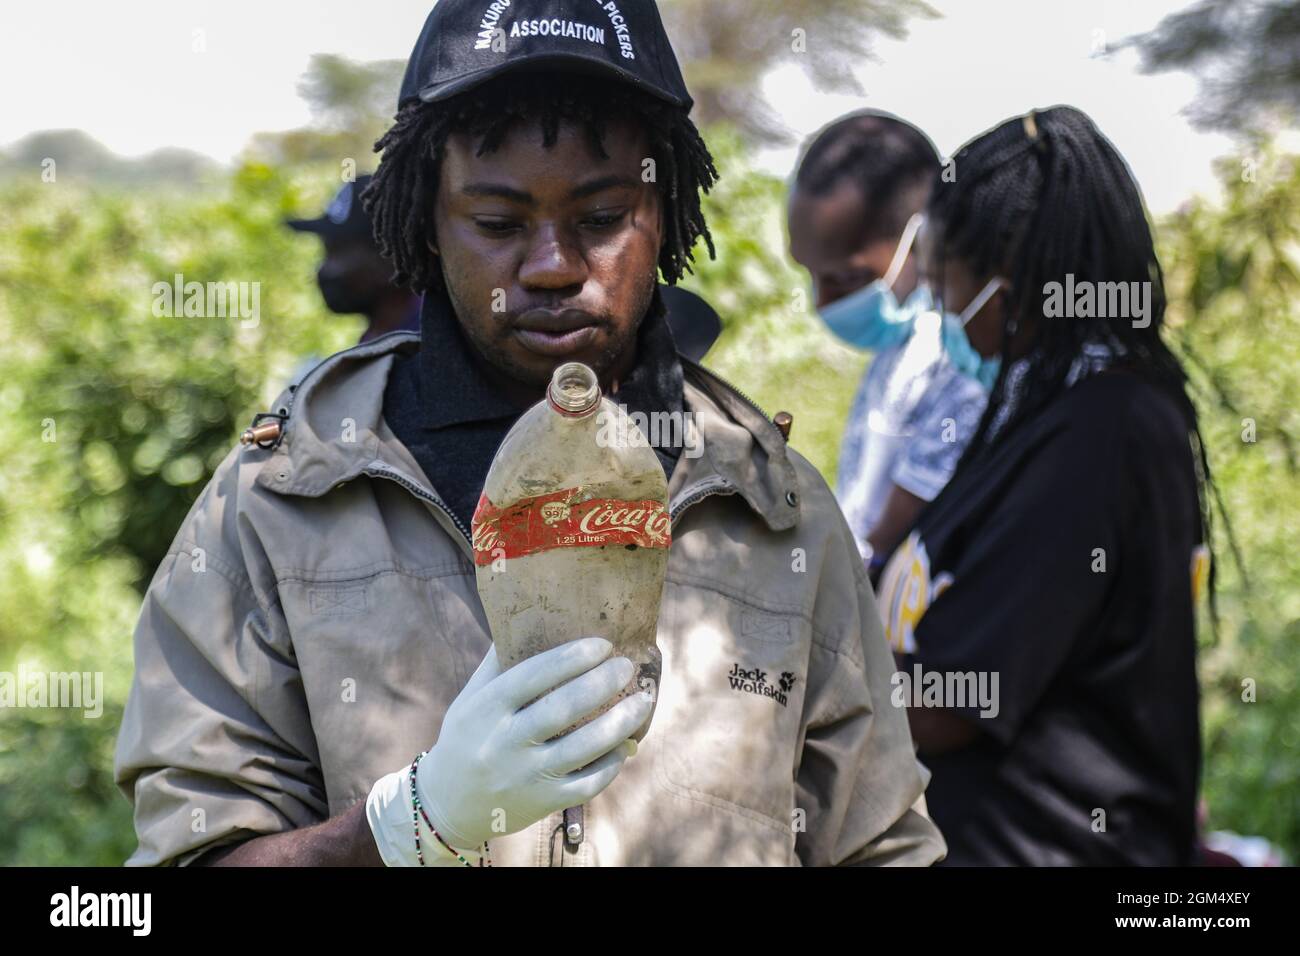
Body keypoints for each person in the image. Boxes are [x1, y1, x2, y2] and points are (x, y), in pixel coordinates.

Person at [114, 0, 944, 867]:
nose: (551, 266)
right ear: (428, 225)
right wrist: (405, 827)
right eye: (500, 223)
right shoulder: (283, 503)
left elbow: (881, 847)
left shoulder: (775, 514)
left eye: (599, 218)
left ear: (665, 214)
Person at [876, 106, 1214, 865]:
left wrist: (790, 681)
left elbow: (957, 700)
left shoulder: (1103, 433)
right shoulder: (1047, 412)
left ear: (1007, 278)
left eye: (945, 276)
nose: (940, 303)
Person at [787, 112, 988, 576]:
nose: (822, 301)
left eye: (846, 277)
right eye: (811, 274)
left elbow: (887, 537)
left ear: (921, 239)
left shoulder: (960, 355)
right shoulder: (900, 344)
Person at [287, 173, 422, 345]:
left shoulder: (435, 342)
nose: (323, 268)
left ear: (390, 257)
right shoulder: (380, 340)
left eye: (337, 251)